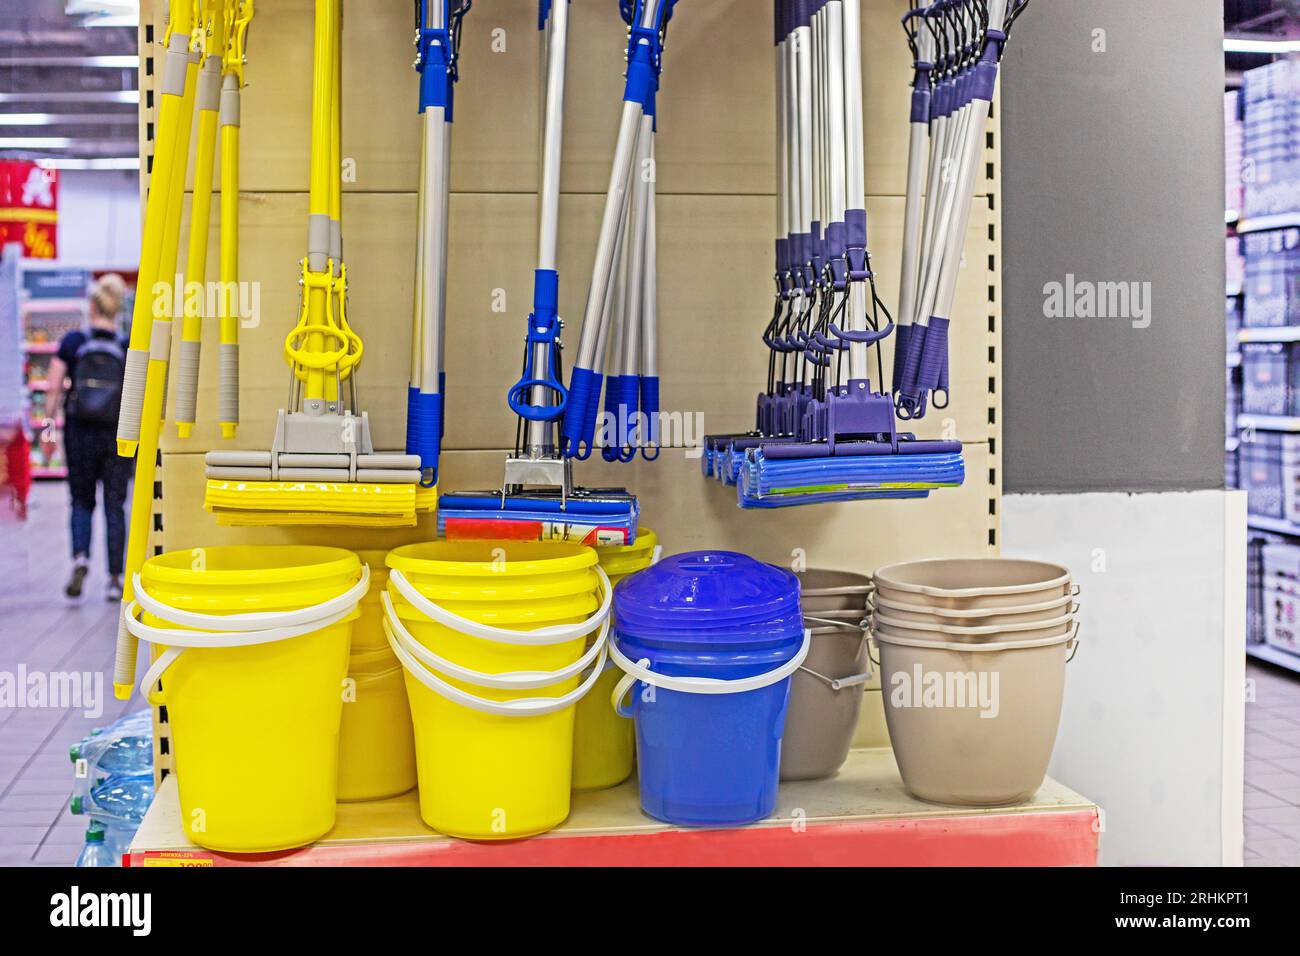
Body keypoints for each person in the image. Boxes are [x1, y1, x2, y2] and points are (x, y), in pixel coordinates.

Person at [43, 274, 132, 600]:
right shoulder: (125, 345)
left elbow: (53, 389)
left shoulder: (73, 343)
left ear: (92, 305)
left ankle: (81, 558)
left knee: (81, 500)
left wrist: (49, 431)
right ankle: (114, 578)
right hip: (116, 436)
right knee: (114, 505)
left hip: (79, 434)